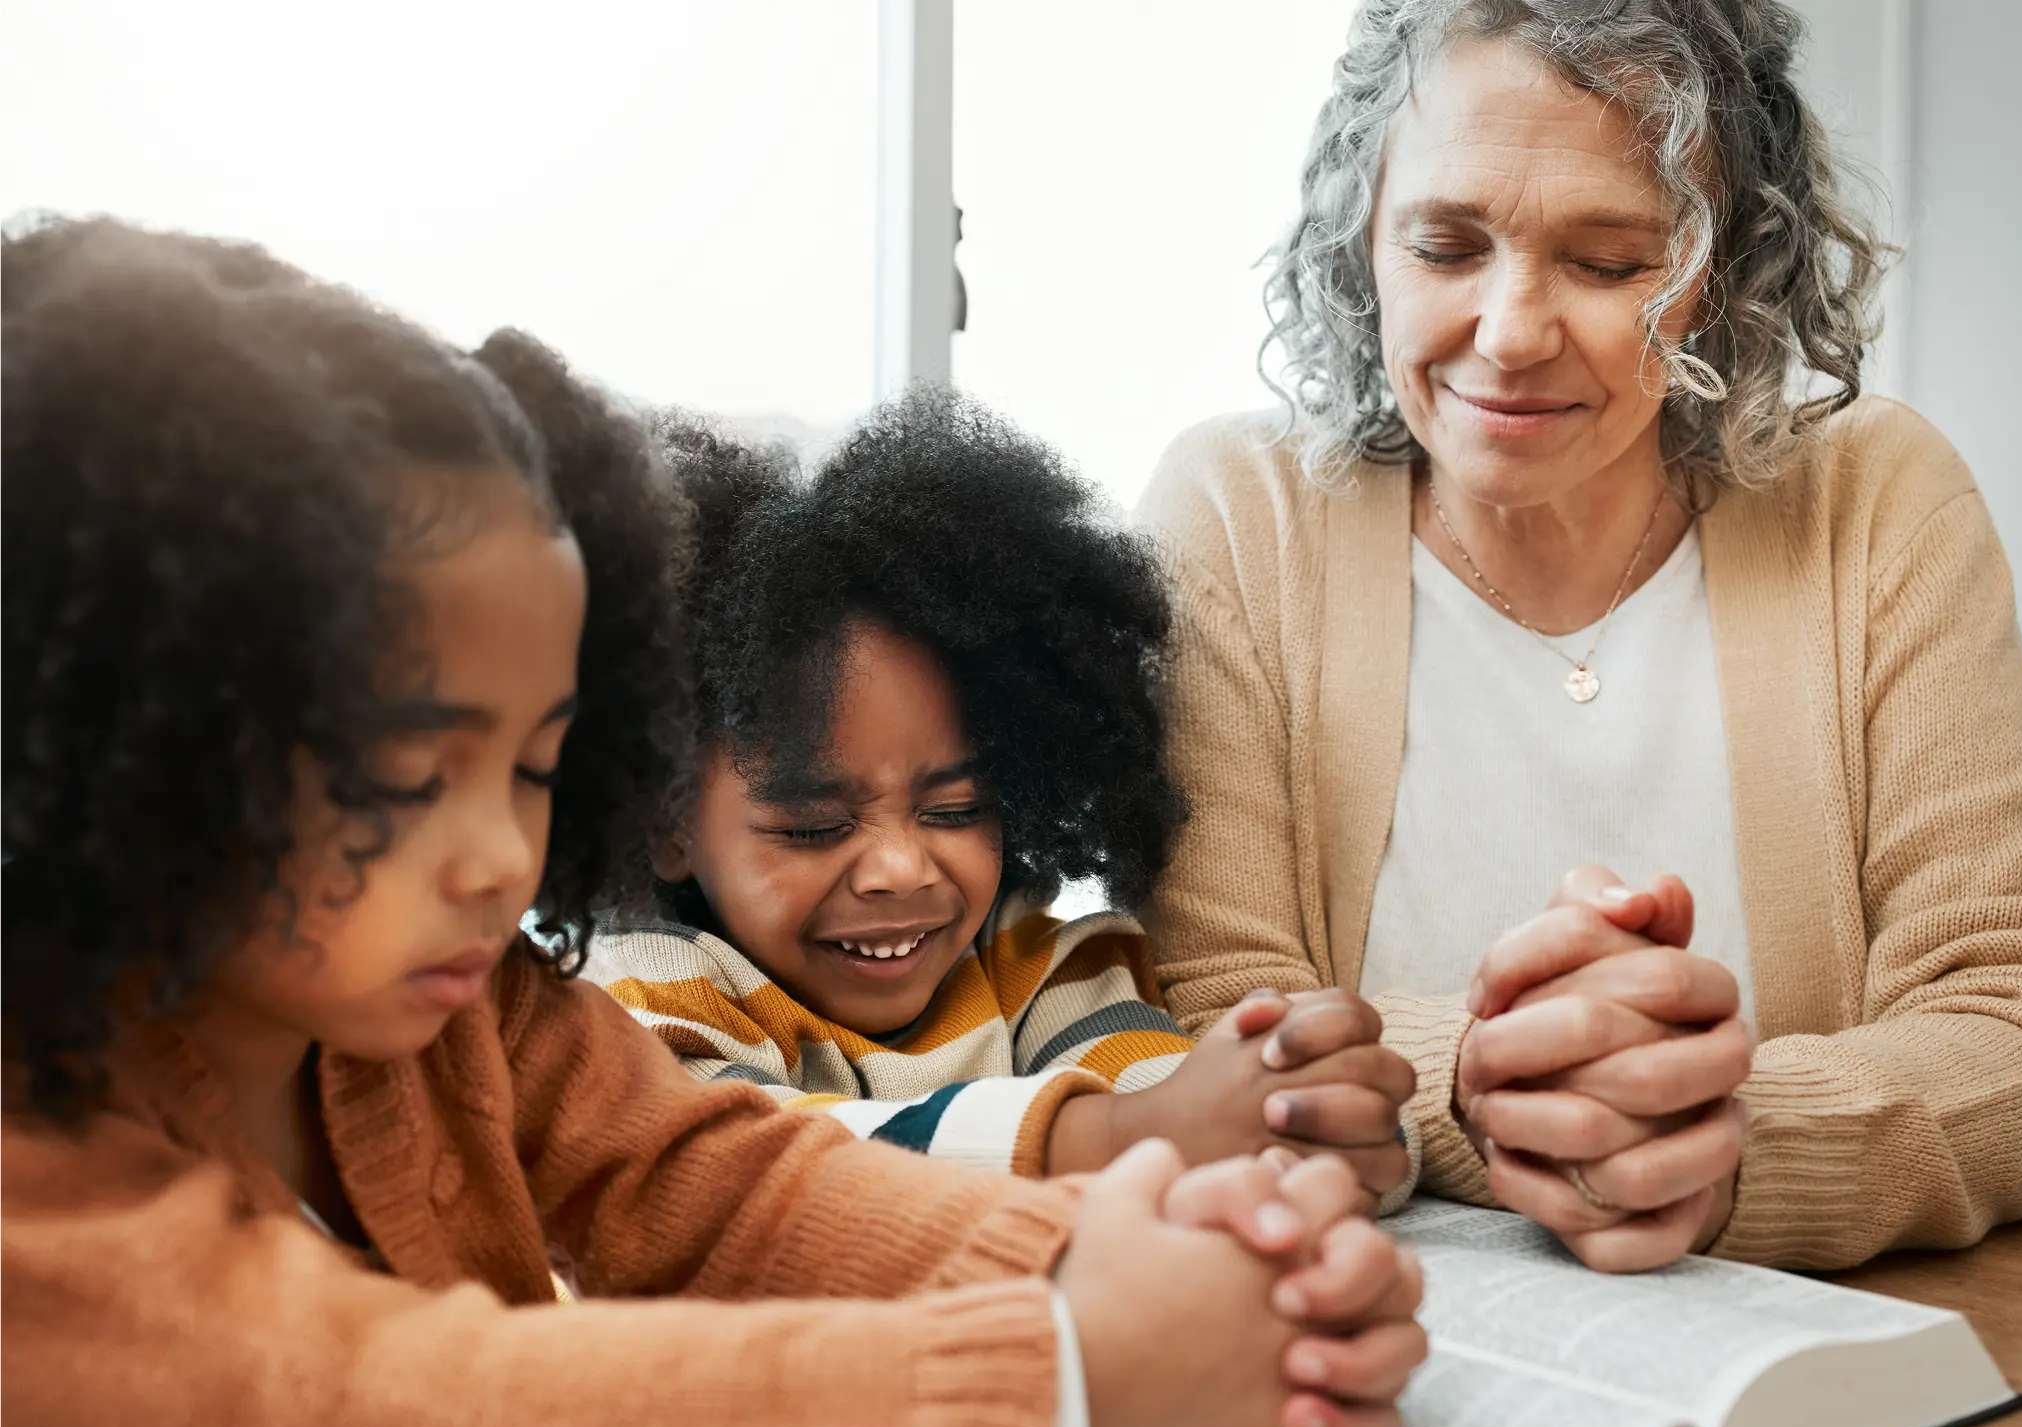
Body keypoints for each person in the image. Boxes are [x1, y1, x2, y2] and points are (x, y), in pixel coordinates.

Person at [0, 218, 1428, 1427]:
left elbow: (719, 1177)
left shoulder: (469, 1018)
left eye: (538, 763)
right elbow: (354, 1405)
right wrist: (1063, 1378)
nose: (499, 857)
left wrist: (1097, 1259)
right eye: (402, 775)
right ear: (125, 737)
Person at [1138, 0, 2022, 1272]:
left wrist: (1731, 1144)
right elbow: (1192, 1024)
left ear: (1730, 269)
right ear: (1361, 247)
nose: (1508, 333)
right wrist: (1475, 1086)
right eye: (1444, 247)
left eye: (1609, 263)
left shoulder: (1875, 501)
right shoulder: (1239, 514)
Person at [587, 392, 1417, 1207]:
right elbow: (756, 1164)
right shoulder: (642, 993)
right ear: (665, 823)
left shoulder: (1032, 965)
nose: (899, 868)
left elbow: (1161, 1091)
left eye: (954, 811)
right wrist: (1114, 1138)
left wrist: (1295, 1115)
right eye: (815, 827)